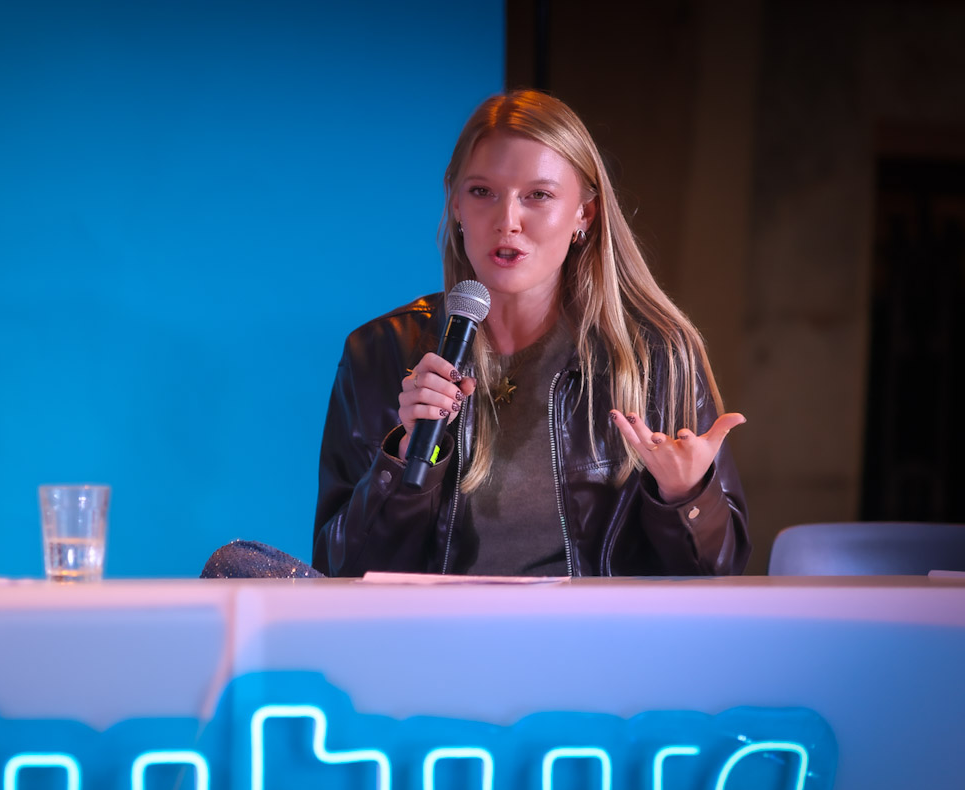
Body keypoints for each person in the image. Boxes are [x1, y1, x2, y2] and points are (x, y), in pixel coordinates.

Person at [312, 90, 750, 577]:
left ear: (584, 214)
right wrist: (404, 458)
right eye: (482, 192)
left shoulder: (656, 356)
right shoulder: (379, 352)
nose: (508, 222)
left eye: (538, 195)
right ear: (455, 203)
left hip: (594, 628)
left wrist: (685, 495)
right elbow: (338, 571)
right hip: (439, 626)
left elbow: (720, 573)